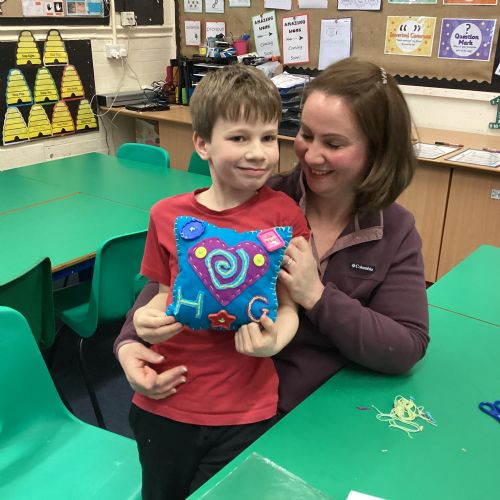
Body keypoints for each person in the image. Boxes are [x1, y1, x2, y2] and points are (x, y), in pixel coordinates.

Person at [115, 56, 429, 487]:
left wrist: (317, 297)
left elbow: (405, 345)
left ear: (376, 149)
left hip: (314, 411)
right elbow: (169, 284)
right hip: (220, 399)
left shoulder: (393, 229)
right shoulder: (258, 196)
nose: (311, 155)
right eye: (305, 134)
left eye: (334, 143)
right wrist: (129, 343)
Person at [120, 64, 309, 500]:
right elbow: (164, 295)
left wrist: (274, 341)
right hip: (167, 397)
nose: (258, 153)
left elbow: (289, 306)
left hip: (245, 407)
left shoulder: (285, 216)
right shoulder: (166, 215)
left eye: (268, 137)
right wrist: (145, 321)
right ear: (202, 144)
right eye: (239, 138)